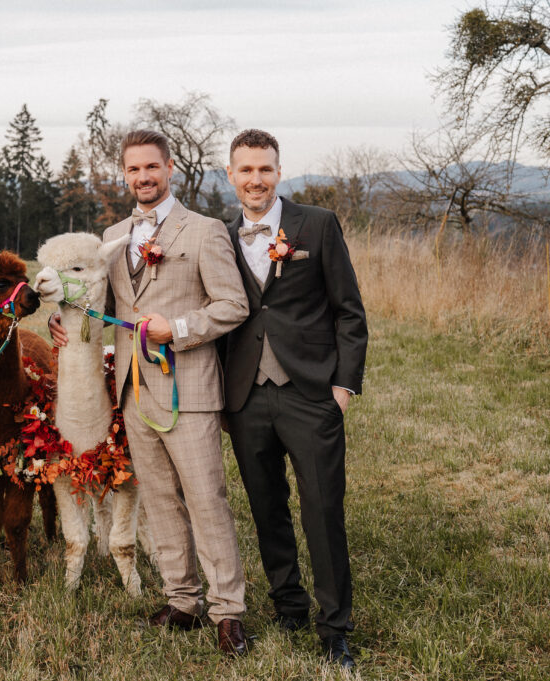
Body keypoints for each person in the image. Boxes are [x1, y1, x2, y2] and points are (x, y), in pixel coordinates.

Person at [51, 130, 251, 655]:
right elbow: (100, 299)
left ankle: (228, 610)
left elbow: (232, 305)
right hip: (133, 392)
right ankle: (182, 599)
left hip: (189, 388)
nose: (143, 177)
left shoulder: (205, 232)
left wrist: (178, 330)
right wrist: (63, 321)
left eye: (152, 168)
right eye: (134, 169)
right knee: (159, 499)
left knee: (206, 500)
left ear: (170, 170)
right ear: (125, 174)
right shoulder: (113, 236)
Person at [219, 129, 368, 669]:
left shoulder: (318, 225)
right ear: (231, 174)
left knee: (323, 511)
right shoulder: (219, 234)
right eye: (245, 170)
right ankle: (289, 606)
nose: (255, 180)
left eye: (265, 169)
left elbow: (349, 310)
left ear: (278, 172)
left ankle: (335, 630)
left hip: (311, 392)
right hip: (244, 395)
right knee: (266, 508)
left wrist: (343, 386)